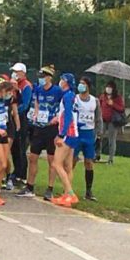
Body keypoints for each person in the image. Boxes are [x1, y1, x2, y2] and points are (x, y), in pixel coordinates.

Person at [17, 65, 62, 199]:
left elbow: (63, 106)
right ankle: (29, 186)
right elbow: (36, 102)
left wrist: (57, 117)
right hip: (38, 127)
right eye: (40, 76)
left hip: (51, 128)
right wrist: (35, 114)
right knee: (33, 157)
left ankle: (50, 188)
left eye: (43, 77)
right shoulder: (38, 89)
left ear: (49, 78)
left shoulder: (57, 91)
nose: (41, 79)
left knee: (51, 159)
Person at [70, 77, 103, 201]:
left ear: (88, 86)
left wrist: (99, 134)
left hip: (89, 134)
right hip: (77, 133)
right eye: (80, 83)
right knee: (72, 161)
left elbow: (98, 118)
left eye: (83, 84)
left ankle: (89, 191)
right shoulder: (75, 99)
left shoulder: (95, 101)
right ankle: (68, 188)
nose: (81, 86)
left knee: (89, 162)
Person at [52, 73, 80, 207]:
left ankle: (70, 193)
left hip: (68, 133)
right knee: (68, 166)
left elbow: (68, 115)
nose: (60, 82)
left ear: (66, 82)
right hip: (74, 133)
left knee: (57, 164)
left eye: (62, 80)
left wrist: (61, 134)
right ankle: (66, 194)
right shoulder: (73, 96)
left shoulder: (67, 97)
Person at [10, 62, 33, 186]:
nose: (15, 74)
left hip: (23, 118)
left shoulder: (26, 86)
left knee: (21, 147)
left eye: (17, 72)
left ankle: (22, 174)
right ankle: (16, 171)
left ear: (23, 73)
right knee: (14, 147)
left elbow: (25, 104)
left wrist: (15, 111)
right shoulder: (14, 84)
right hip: (14, 117)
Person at [99, 80, 125, 165]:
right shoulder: (103, 96)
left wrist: (113, 104)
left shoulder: (118, 98)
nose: (108, 89)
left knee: (112, 140)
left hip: (113, 121)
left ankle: (110, 158)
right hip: (103, 120)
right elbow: (99, 106)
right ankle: (97, 154)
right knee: (99, 137)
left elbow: (121, 109)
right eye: (107, 87)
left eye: (110, 87)